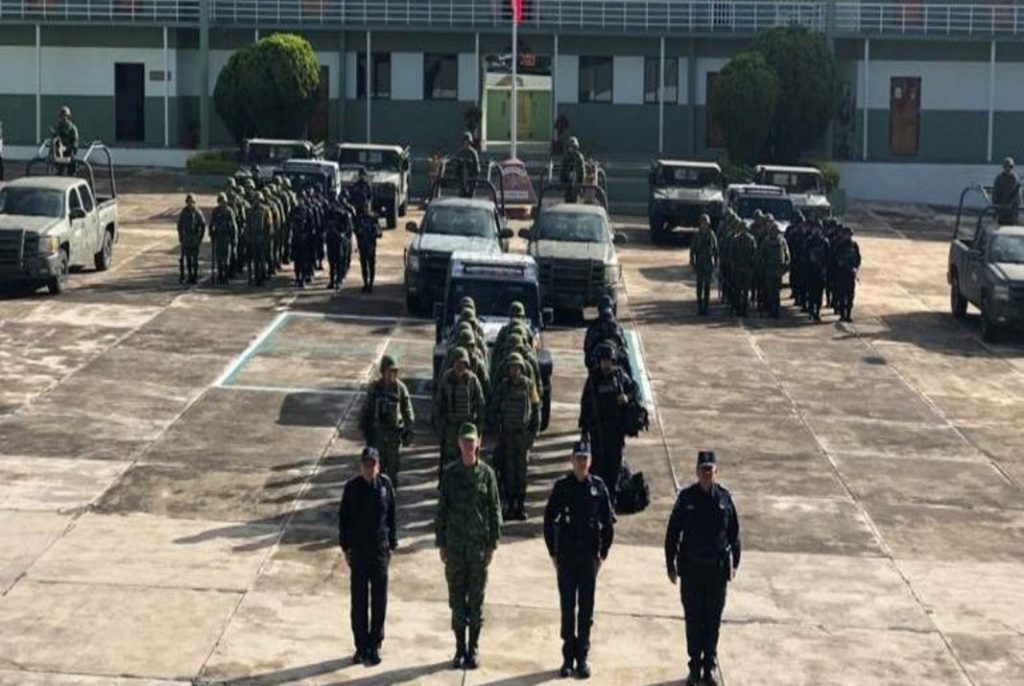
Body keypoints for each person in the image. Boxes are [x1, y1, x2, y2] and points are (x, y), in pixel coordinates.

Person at [664, 451, 741, 686]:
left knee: (713, 619)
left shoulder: (724, 499)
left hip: (716, 571)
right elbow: (672, 533)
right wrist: (670, 565)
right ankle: (694, 666)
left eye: (711, 470)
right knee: (694, 619)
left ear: (716, 473)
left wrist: (735, 563)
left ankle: (709, 665)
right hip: (692, 569)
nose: (707, 474)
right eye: (703, 470)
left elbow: (734, 534)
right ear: (697, 472)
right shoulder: (687, 499)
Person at [543, 440, 615, 680]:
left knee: (586, 609)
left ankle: (582, 656)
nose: (582, 463)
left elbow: (608, 524)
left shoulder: (598, 488)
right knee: (567, 608)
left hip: (588, 560)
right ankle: (567, 657)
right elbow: (548, 520)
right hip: (566, 558)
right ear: (572, 461)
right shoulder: (562, 487)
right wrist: (553, 554)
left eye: (585, 459)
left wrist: (602, 555)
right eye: (578, 458)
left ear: (590, 461)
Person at [435, 422, 502, 670]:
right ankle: (459, 648)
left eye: (471, 441)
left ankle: (473, 648)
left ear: (478, 443)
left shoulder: (487, 474)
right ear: (458, 444)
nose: (468, 446)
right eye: (464, 441)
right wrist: (440, 542)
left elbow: (495, 510)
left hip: (477, 550)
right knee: (456, 601)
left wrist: (492, 544)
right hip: (454, 548)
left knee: (476, 600)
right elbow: (441, 511)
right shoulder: (450, 474)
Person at [338, 446, 398, 667]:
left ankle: (375, 645)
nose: (369, 469)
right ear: (361, 466)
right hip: (359, 553)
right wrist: (345, 548)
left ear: (378, 466)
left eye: (372, 465)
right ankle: (360, 646)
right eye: (365, 465)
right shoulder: (351, 488)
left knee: (379, 601)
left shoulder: (385, 486)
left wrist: (392, 544)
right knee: (359, 602)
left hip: (379, 552)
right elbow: (343, 519)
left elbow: (392, 516)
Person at [579, 342, 636, 502]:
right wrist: (584, 431)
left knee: (614, 468)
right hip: (598, 432)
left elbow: (634, 391)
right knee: (598, 468)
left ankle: (610, 500)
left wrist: (627, 397)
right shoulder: (593, 380)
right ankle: (600, 500)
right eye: (604, 361)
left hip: (616, 432)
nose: (606, 364)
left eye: (609, 361)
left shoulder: (620, 377)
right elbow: (585, 405)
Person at [490, 352, 540, 521]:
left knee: (522, 474)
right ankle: (510, 505)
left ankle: (520, 506)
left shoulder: (529, 385)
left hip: (522, 436)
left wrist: (532, 434)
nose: (515, 371)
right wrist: (498, 432)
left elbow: (536, 410)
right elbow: (494, 408)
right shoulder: (503, 387)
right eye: (512, 367)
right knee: (509, 473)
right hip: (507, 436)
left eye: (517, 368)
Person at [361, 355, 415, 488]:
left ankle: (390, 498)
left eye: (394, 371)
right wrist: (366, 431)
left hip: (393, 436)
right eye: (389, 371)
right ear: (383, 371)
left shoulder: (400, 388)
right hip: (378, 435)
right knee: (376, 469)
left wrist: (409, 430)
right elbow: (366, 409)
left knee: (393, 471)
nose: (392, 374)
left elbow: (407, 410)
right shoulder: (374, 388)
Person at [433, 348, 486, 479]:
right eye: (457, 363)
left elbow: (481, 405)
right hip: (451, 428)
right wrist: (441, 428)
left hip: (467, 428)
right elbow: (439, 405)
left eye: (463, 363)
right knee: (448, 463)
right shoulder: (447, 378)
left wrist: (478, 430)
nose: (460, 366)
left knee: (469, 460)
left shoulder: (473, 381)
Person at [690, 214, 719, 316]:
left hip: (708, 263)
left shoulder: (711, 235)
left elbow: (715, 249)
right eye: (702, 223)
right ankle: (700, 307)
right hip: (700, 263)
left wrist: (715, 262)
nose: (704, 225)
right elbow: (692, 250)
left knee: (707, 287)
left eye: (705, 223)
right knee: (699, 287)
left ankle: (706, 307)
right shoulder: (697, 235)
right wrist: (692, 262)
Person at [831, 226, 862, 323]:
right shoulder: (839, 246)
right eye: (846, 235)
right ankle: (842, 314)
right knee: (841, 295)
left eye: (849, 235)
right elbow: (834, 258)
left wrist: (855, 268)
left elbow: (858, 258)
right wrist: (840, 265)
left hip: (850, 274)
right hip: (841, 274)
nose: (848, 237)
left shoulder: (854, 245)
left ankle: (848, 314)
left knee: (850, 295)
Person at [728, 221, 757, 317]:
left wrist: (752, 266)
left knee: (746, 291)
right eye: (742, 229)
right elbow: (731, 254)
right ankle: (738, 308)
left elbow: (754, 254)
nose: (743, 231)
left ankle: (745, 309)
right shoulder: (735, 240)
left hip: (747, 268)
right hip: (738, 268)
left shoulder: (751, 240)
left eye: (745, 229)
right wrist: (733, 266)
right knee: (737, 290)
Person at [176, 194, 206, 285]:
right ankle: (189, 275)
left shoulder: (197, 212)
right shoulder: (184, 212)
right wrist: (181, 236)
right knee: (187, 259)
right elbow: (179, 225)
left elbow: (203, 224)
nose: (190, 204)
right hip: (186, 238)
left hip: (194, 237)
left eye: (192, 202)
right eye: (188, 202)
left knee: (195, 259)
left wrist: (200, 237)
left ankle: (195, 276)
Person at [209, 193, 237, 285]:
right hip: (218, 237)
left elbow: (233, 226)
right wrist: (211, 233)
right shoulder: (215, 211)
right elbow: (211, 223)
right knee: (219, 258)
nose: (222, 203)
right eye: (220, 201)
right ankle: (220, 274)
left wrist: (234, 238)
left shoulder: (229, 211)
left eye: (223, 201)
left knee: (226, 259)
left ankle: (225, 276)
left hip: (226, 237)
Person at [354, 197, 379, 293]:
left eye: (367, 206)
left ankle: (371, 285)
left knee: (371, 265)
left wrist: (373, 232)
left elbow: (379, 233)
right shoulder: (360, 218)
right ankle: (365, 283)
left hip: (371, 246)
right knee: (364, 265)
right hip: (362, 245)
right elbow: (355, 230)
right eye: (364, 206)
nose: (365, 208)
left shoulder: (373, 218)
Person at [992, 156, 1020, 225]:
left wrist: (1012, 204)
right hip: (1001, 210)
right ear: (1004, 167)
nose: (1008, 168)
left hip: (1011, 212)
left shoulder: (1015, 179)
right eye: (1006, 166)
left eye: (1010, 166)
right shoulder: (999, 178)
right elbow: (995, 194)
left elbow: (1018, 195)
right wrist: (997, 208)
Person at [52, 106, 79, 176]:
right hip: (59, 155)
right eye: (61, 116)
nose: (62, 118)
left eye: (64, 116)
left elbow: (75, 144)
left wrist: (67, 148)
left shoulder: (72, 128)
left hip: (69, 154)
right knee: (58, 174)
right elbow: (53, 142)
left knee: (71, 174)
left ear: (67, 116)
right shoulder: (58, 127)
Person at [561, 136, 586, 203]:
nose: (571, 148)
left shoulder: (579, 157)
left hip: (576, 181)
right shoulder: (566, 156)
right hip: (568, 181)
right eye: (569, 146)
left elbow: (582, 172)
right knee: (568, 197)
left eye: (573, 147)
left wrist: (580, 184)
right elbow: (563, 170)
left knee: (575, 197)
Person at [456, 132, 480, 198]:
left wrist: (469, 163)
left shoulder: (473, 153)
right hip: (462, 177)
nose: (466, 143)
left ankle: (467, 189)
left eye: (468, 142)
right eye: (465, 141)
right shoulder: (460, 152)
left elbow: (477, 169)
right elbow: (456, 167)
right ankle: (464, 188)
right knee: (464, 166)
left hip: (471, 177)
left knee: (466, 165)